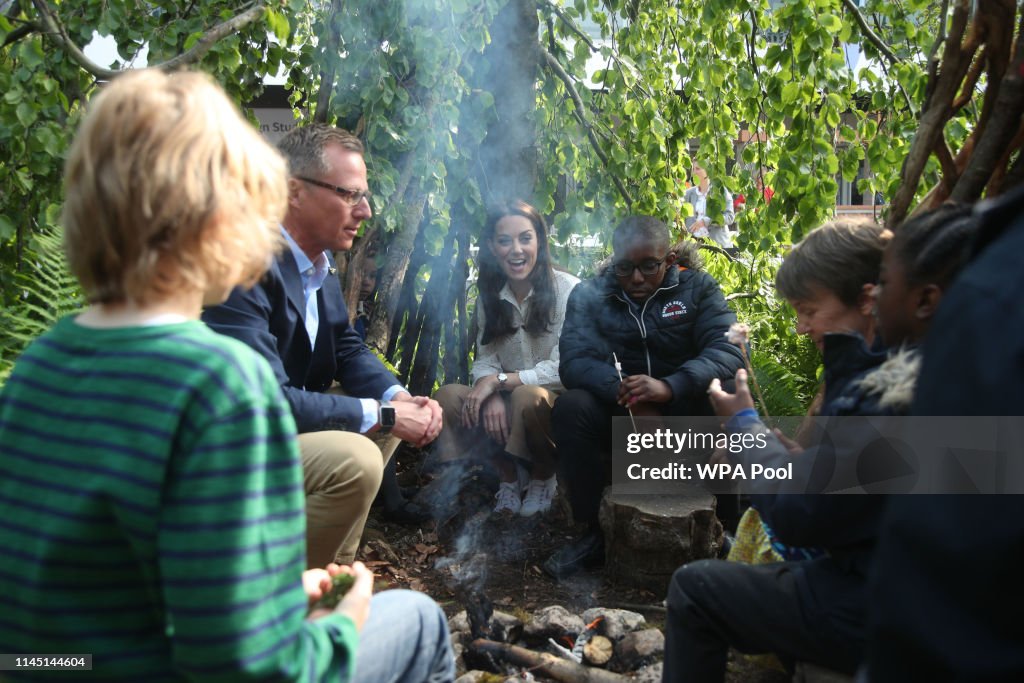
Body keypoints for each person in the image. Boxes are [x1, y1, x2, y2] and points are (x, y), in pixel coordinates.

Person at [0, 69, 453, 683]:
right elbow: (246, 666)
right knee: (420, 621)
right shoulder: (217, 384)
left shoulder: (39, 366)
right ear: (222, 218)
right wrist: (340, 620)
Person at [663, 211, 978, 682]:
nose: (801, 328)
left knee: (695, 589)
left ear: (874, 299)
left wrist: (744, 427)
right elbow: (860, 490)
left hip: (902, 603)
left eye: (809, 311)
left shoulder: (902, 388)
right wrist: (802, 461)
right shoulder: (929, 364)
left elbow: (804, 516)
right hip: (909, 585)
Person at [203, 124, 443, 568]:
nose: (366, 211)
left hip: (279, 430)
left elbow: (347, 346)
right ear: (294, 192)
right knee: (357, 459)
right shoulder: (241, 263)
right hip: (229, 448)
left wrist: (398, 398)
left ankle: (335, 570)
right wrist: (387, 414)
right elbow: (265, 401)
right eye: (350, 195)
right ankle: (282, 599)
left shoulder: (318, 262)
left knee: (383, 420)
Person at [866, 190, 1024, 682]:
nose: (872, 294)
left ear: (927, 299)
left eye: (883, 282)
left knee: (701, 590)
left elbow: (945, 534)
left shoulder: (992, 300)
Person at [544, 215, 744, 579]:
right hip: (623, 416)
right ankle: (595, 533)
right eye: (625, 267)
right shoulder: (591, 295)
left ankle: (726, 527)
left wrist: (671, 386)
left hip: (686, 412)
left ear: (668, 259)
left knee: (728, 390)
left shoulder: (697, 288)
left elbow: (729, 351)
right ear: (614, 260)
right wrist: (626, 391)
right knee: (572, 408)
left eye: (649, 266)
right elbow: (574, 362)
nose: (636, 278)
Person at [434, 200, 579, 516]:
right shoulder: (491, 298)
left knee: (528, 395)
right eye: (505, 240)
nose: (516, 250)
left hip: (554, 409)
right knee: (448, 397)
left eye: (525, 238)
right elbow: (486, 357)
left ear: (539, 240)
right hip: (509, 401)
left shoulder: (568, 291)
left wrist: (501, 382)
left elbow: (565, 368)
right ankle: (508, 477)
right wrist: (490, 392)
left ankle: (544, 476)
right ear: (491, 246)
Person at [684, 162, 735, 250]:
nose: (694, 172)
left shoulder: (720, 192)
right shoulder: (688, 193)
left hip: (717, 246)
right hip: (693, 247)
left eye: (698, 169)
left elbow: (730, 217)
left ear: (707, 171)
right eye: (693, 169)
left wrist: (706, 221)